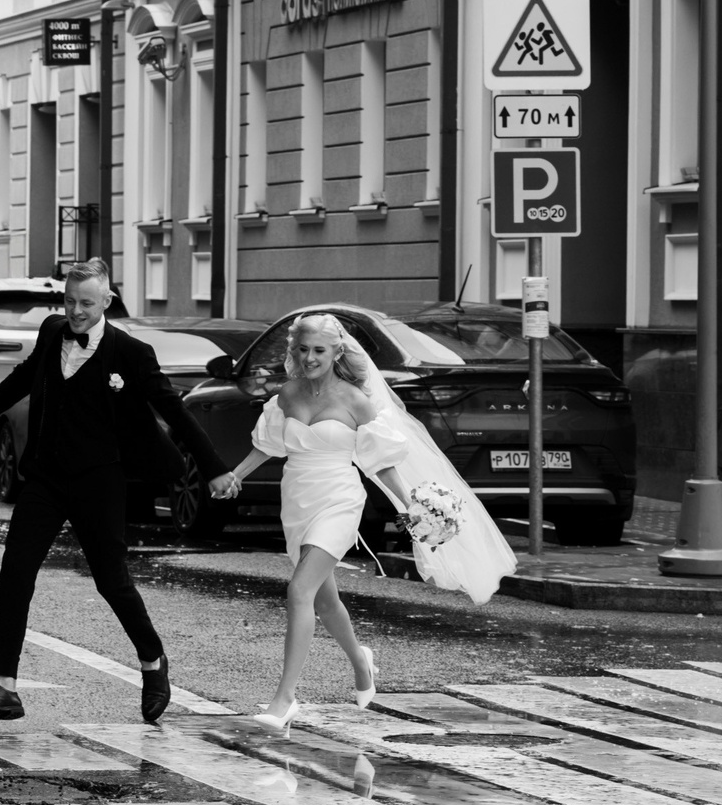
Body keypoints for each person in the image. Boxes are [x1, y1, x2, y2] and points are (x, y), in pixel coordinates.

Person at [208, 313, 516, 732]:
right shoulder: (288, 393)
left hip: (339, 498)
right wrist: (236, 476)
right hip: (297, 499)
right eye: (303, 349)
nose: (310, 357)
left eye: (319, 350)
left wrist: (413, 506)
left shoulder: (356, 400)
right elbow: (268, 444)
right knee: (323, 600)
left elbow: (380, 462)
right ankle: (361, 661)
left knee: (299, 590)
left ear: (337, 352)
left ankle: (284, 699)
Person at [0, 259, 225, 725]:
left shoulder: (131, 353)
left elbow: (174, 411)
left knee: (110, 580)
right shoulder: (51, 332)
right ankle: (4, 686)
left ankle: (153, 661)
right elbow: (23, 377)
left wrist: (214, 469)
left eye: (86, 303)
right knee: (15, 571)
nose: (76, 311)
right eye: (69, 301)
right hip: (45, 478)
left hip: (98, 482)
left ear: (106, 302)